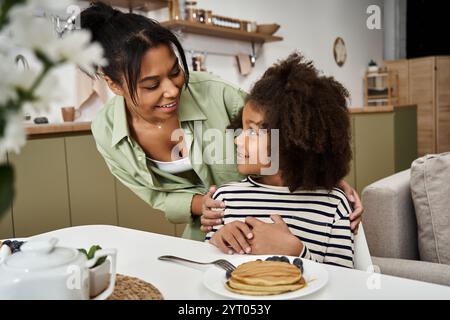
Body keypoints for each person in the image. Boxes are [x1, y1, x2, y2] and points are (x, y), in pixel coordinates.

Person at [80, 2, 363, 242]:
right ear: (113, 85)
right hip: (208, 233)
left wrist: (327, 178)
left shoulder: (217, 94)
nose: (172, 89)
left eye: (176, 71)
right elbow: (154, 196)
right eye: (152, 85)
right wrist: (202, 205)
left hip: (275, 221)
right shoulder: (107, 133)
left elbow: (286, 131)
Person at [206, 53, 354, 268]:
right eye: (242, 128)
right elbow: (209, 269)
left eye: (254, 131)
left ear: (291, 141)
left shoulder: (333, 206)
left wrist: (297, 252)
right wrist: (217, 241)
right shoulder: (224, 199)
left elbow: (345, 284)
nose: (238, 140)